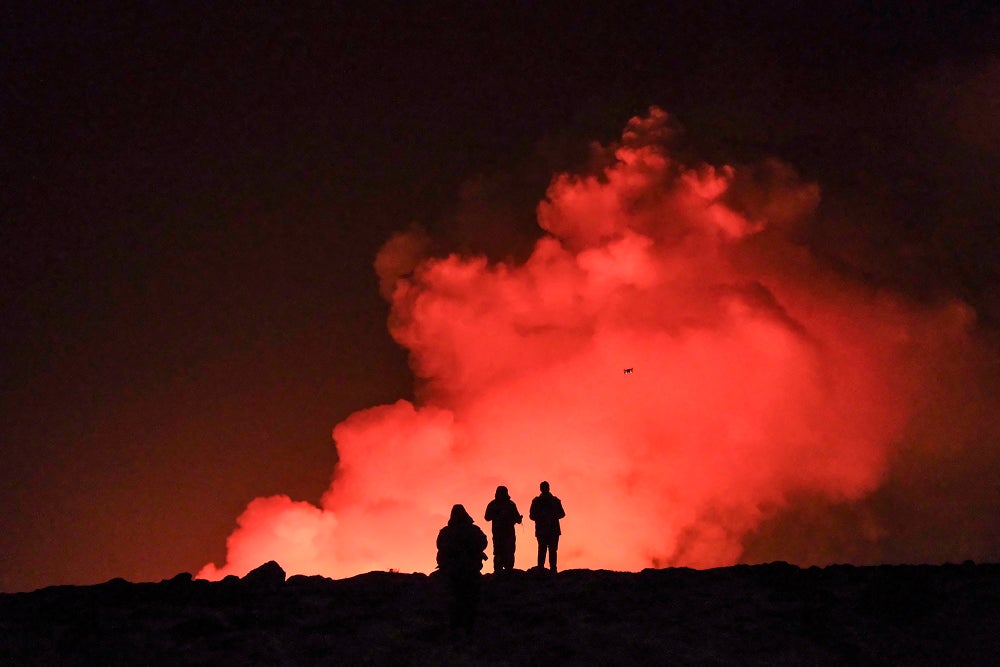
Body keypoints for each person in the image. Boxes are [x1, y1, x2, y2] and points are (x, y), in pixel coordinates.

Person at [435, 504, 488, 633]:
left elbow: (440, 545)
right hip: (469, 571)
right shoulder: (473, 530)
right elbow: (483, 542)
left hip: (453, 572)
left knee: (455, 602)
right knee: (469, 602)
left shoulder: (446, 532)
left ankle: (456, 630)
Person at [484, 485, 523, 573]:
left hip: (509, 534)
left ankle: (507, 572)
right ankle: (499, 573)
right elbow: (487, 517)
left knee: (509, 552)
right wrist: (497, 513)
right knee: (498, 553)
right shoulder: (493, 504)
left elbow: (517, 518)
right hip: (498, 535)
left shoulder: (510, 504)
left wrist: (519, 519)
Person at [529, 481, 565, 572]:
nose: (544, 489)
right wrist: (542, 516)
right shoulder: (537, 501)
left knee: (551, 550)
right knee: (543, 550)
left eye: (546, 487)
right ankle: (541, 569)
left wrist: (551, 515)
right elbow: (532, 516)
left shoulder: (554, 500)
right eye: (543, 487)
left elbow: (562, 514)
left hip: (552, 530)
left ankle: (552, 569)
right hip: (543, 530)